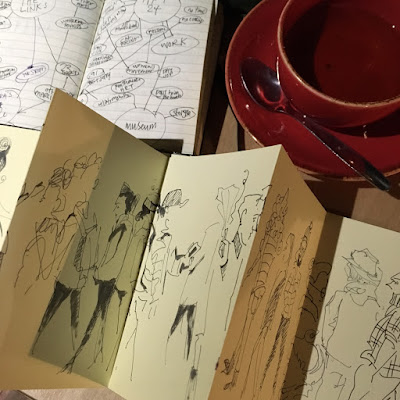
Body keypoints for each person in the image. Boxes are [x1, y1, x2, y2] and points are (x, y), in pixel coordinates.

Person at [63, 182, 137, 372]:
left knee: (97, 317)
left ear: (126, 207)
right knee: (99, 317)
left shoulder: (125, 226)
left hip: (108, 281)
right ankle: (93, 355)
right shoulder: (119, 223)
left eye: (118, 205)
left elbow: (117, 257)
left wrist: (99, 272)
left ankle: (83, 358)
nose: (115, 207)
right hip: (105, 279)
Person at [316, 249, 382, 400]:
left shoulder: (342, 296)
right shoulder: (374, 305)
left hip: (339, 352)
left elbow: (328, 321)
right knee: (342, 388)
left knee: (329, 385)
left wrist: (328, 342)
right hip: (354, 357)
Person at [349, 272, 400, 400]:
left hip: (387, 369)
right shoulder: (394, 308)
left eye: (396, 282)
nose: (390, 284)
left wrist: (375, 366)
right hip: (384, 366)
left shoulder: (398, 313)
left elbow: (391, 343)